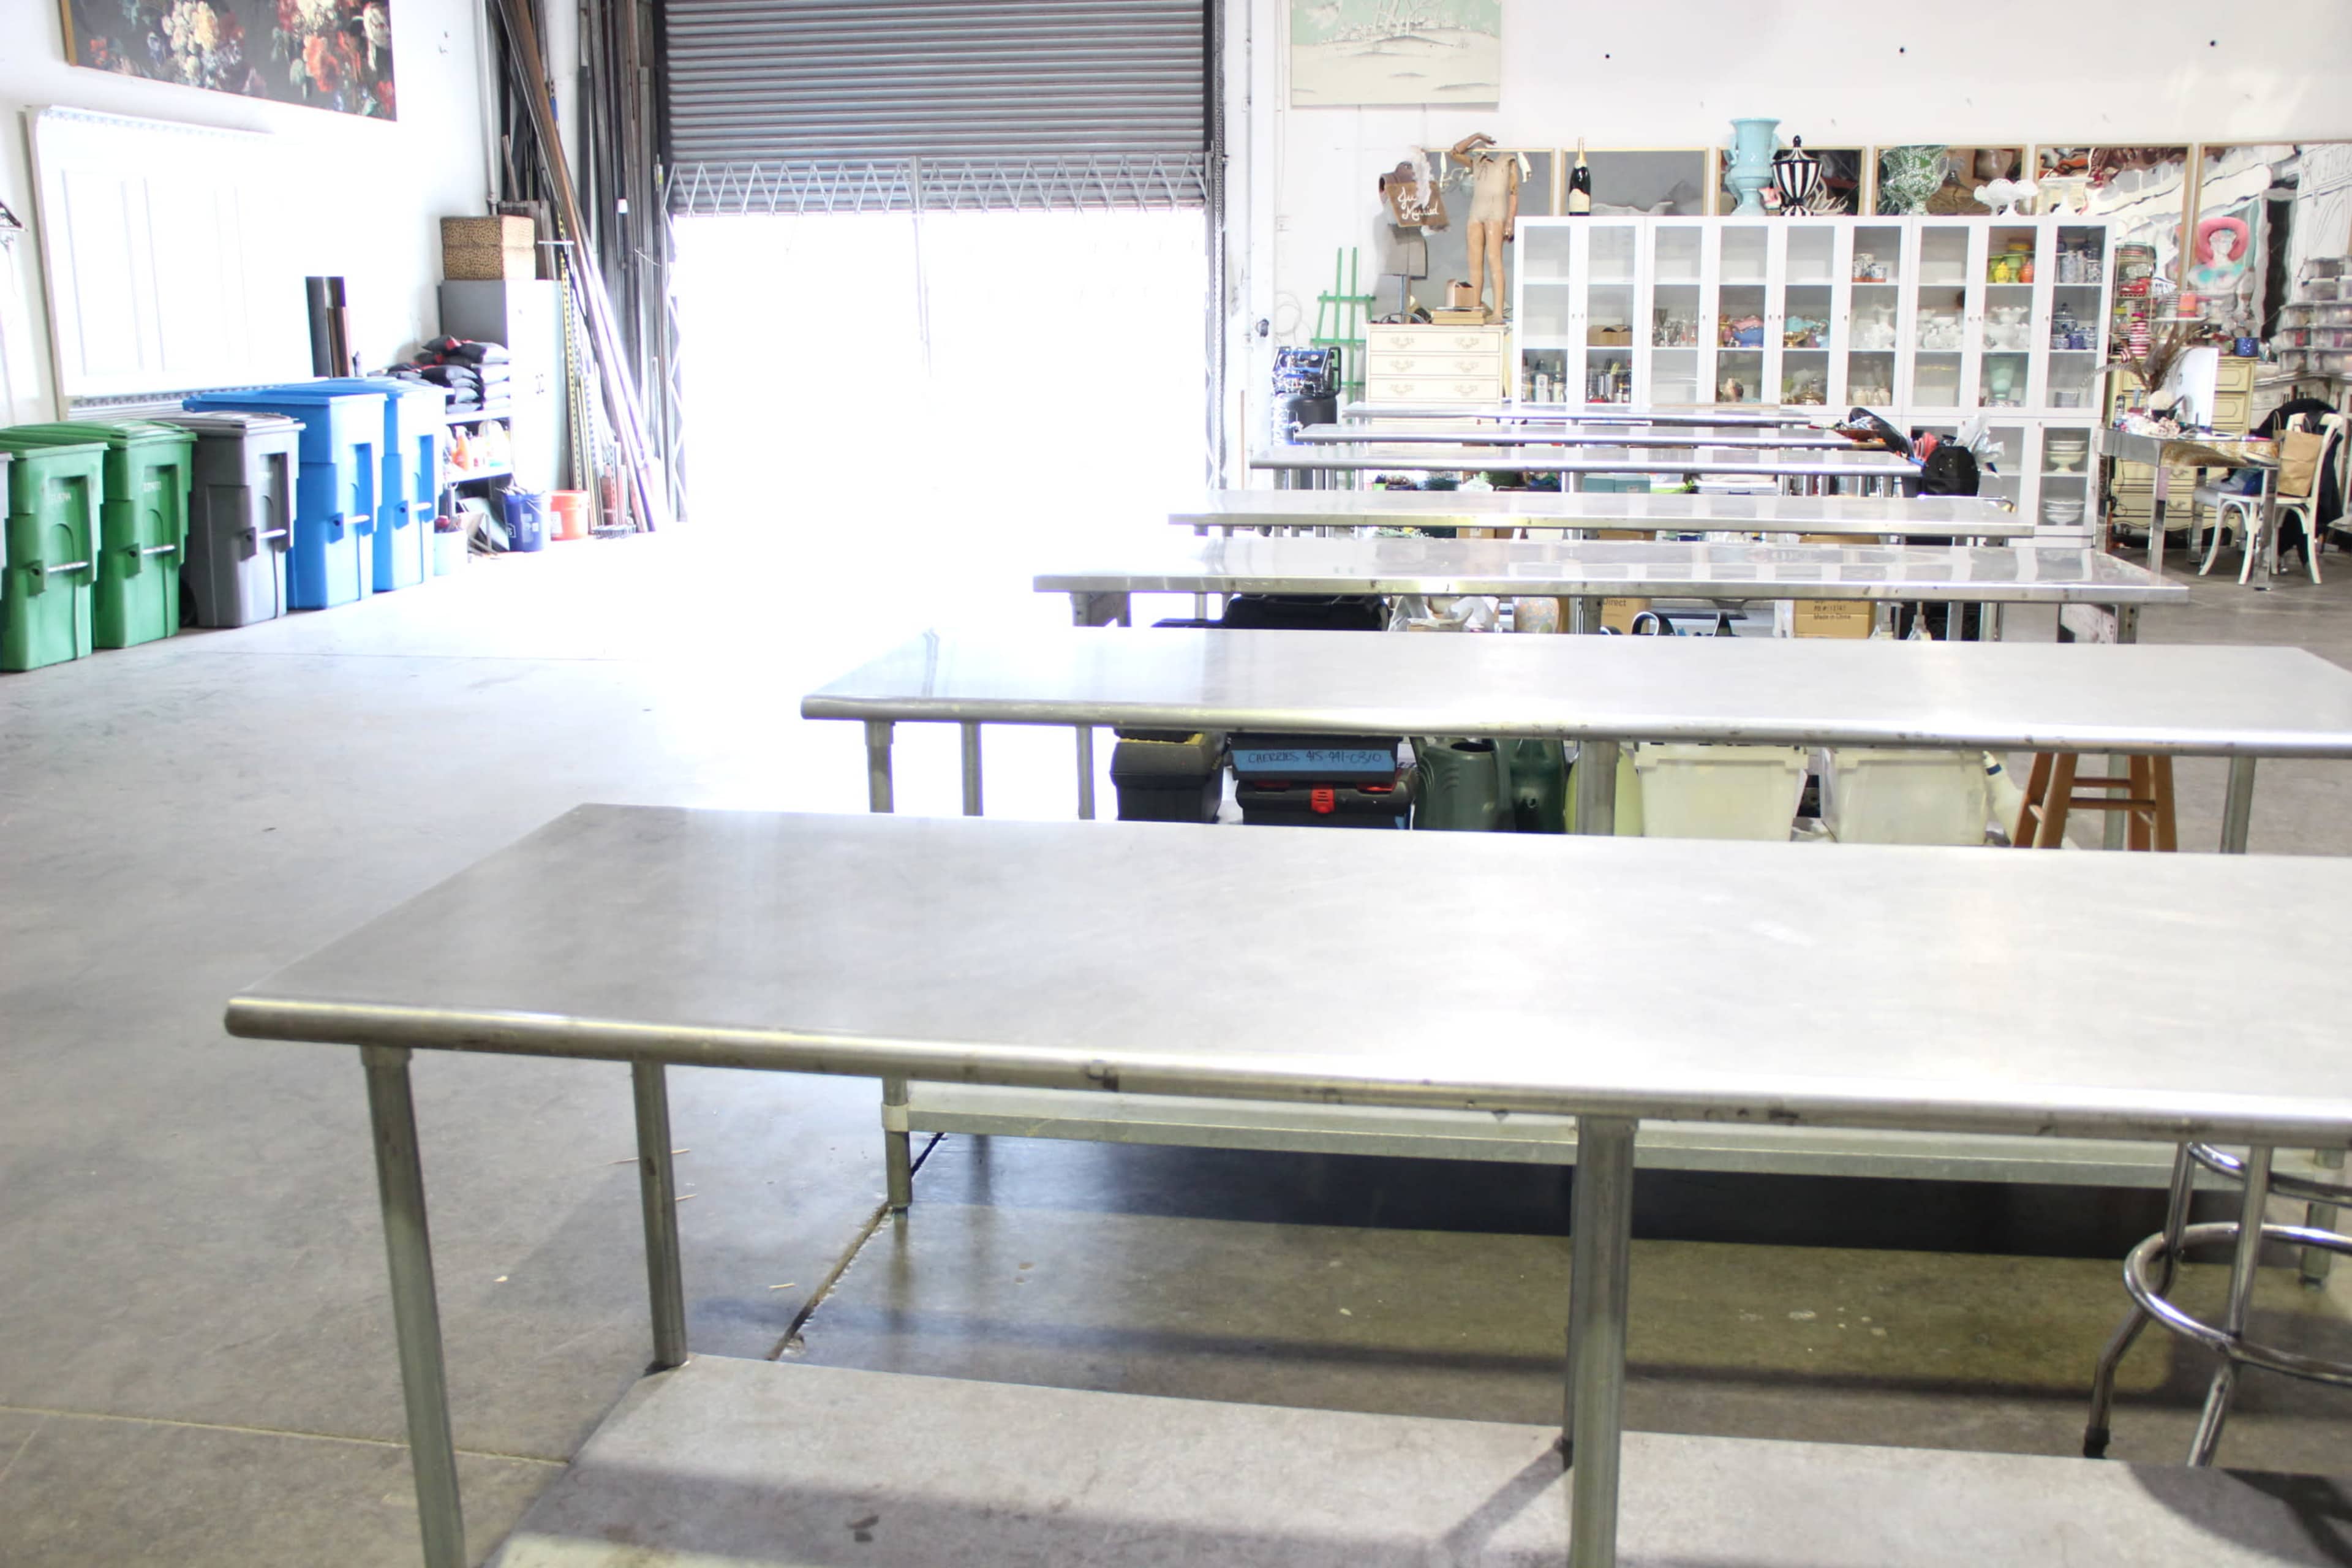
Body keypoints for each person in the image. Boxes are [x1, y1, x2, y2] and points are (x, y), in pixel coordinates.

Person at [1448, 133, 1518, 322]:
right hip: (1476, 211)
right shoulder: (1477, 162)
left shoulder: (1508, 161)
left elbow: (1513, 192)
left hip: (1496, 210)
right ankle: (1475, 308)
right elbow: (1454, 152)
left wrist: (1511, 221)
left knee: (1495, 260)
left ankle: (1497, 312)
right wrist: (1477, 137)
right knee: (1474, 265)